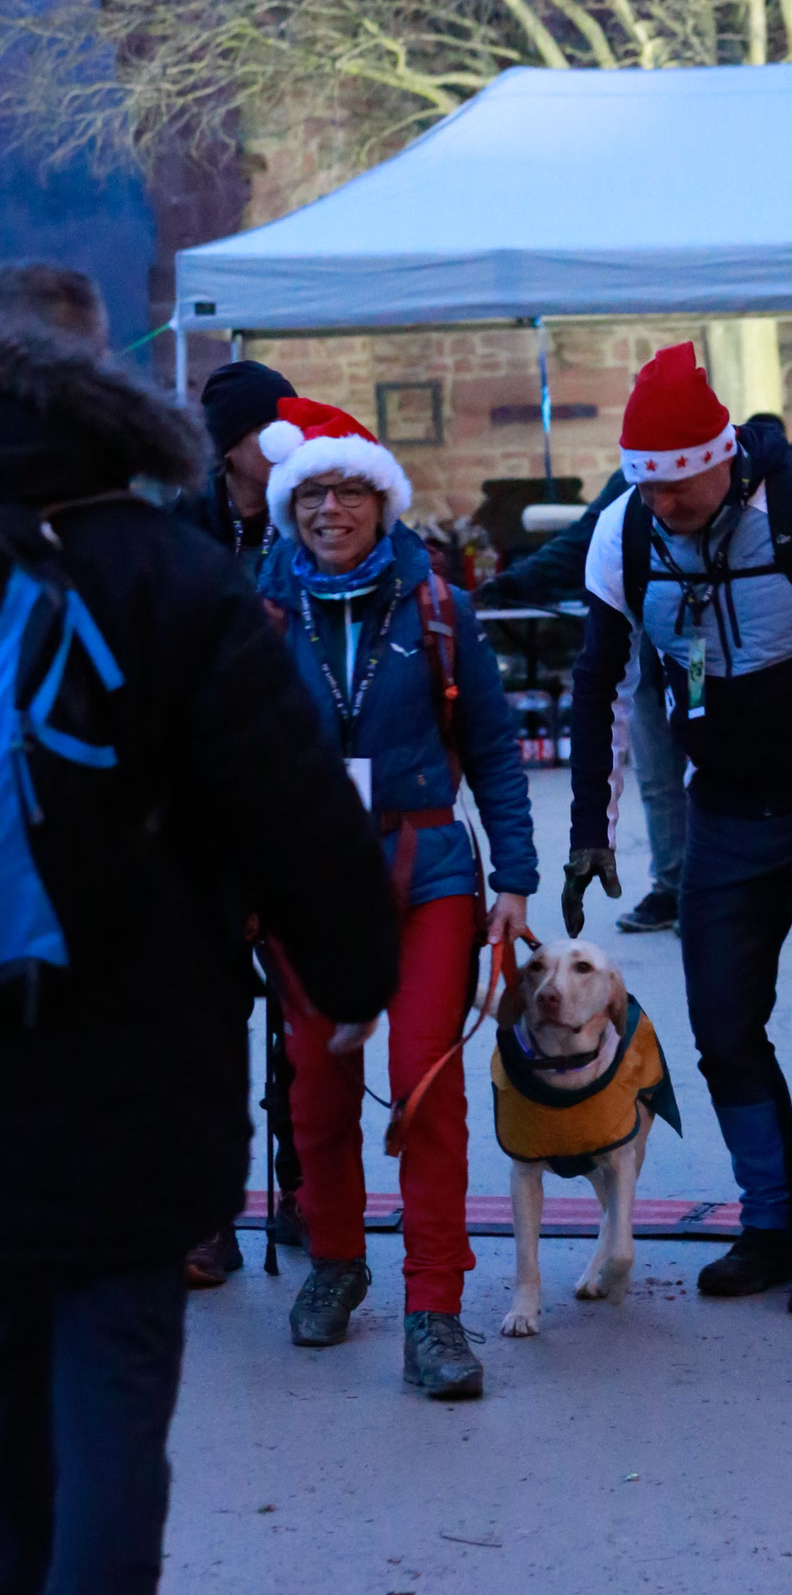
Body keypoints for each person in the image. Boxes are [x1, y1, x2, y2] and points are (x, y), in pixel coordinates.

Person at [0, 313, 399, 1595]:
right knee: (111, 1388)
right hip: (131, 1052)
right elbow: (288, 799)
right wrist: (355, 971)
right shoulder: (169, 569)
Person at [565, 344, 792, 1315]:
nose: (664, 504)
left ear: (720, 458)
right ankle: (768, 1221)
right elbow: (598, 680)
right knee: (723, 1028)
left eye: (679, 485)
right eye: (647, 487)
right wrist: (591, 827)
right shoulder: (624, 531)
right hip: (720, 815)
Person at [258, 397, 538, 1397]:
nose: (330, 509)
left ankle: (435, 1311)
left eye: (349, 491)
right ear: (290, 508)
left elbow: (495, 748)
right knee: (316, 1087)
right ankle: (336, 1258)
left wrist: (514, 878)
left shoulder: (437, 608)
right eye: (312, 494)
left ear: (382, 502)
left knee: (424, 1085)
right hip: (306, 878)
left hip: (428, 870)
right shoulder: (258, 617)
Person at [175, 357, 304, 1286]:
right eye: (270, 425)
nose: (288, 436)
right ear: (230, 446)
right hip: (202, 810)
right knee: (205, 1022)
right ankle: (207, 1214)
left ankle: (303, 1187)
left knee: (305, 1015)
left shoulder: (318, 509)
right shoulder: (181, 530)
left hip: (299, 794)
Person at [481, 467, 687, 935]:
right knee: (658, 778)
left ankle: (717, 891)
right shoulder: (632, 476)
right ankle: (674, 886)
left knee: (713, 772)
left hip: (718, 648)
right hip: (651, 642)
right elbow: (585, 538)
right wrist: (517, 582)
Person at [178, 358, 298, 580]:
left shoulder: (310, 514)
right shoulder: (184, 526)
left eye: (291, 428)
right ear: (228, 446)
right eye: (267, 431)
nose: (287, 443)